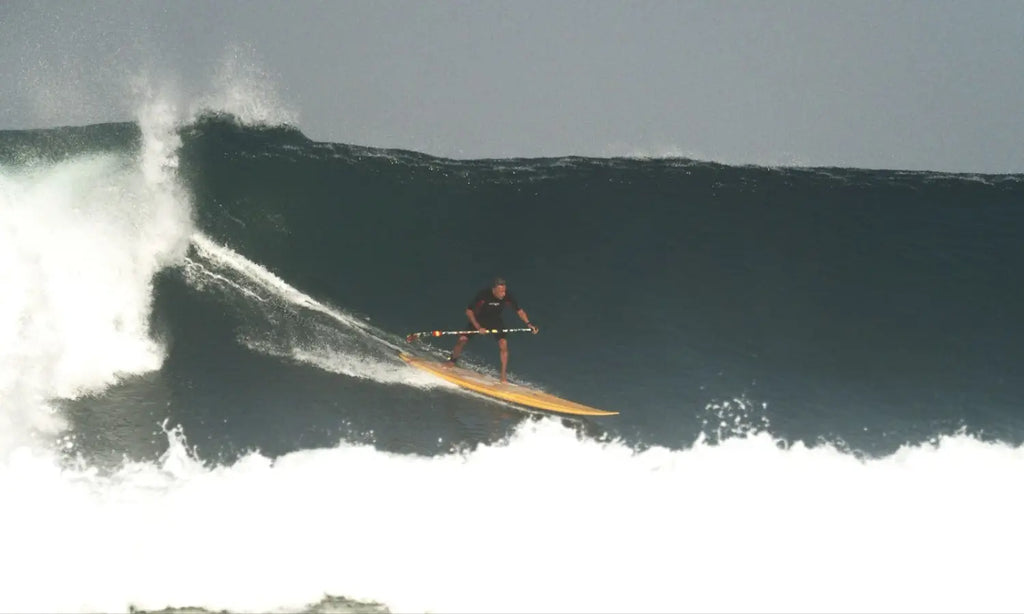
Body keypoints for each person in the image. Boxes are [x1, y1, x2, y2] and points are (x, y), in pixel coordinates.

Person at [447, 277, 539, 383]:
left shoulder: (507, 296)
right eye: (501, 291)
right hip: (479, 320)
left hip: (495, 321)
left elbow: (519, 311)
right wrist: (478, 327)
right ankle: (451, 362)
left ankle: (503, 376)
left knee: (503, 343)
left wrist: (529, 324)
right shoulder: (483, 295)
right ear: (494, 289)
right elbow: (469, 311)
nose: (503, 294)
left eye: (504, 291)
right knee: (462, 340)